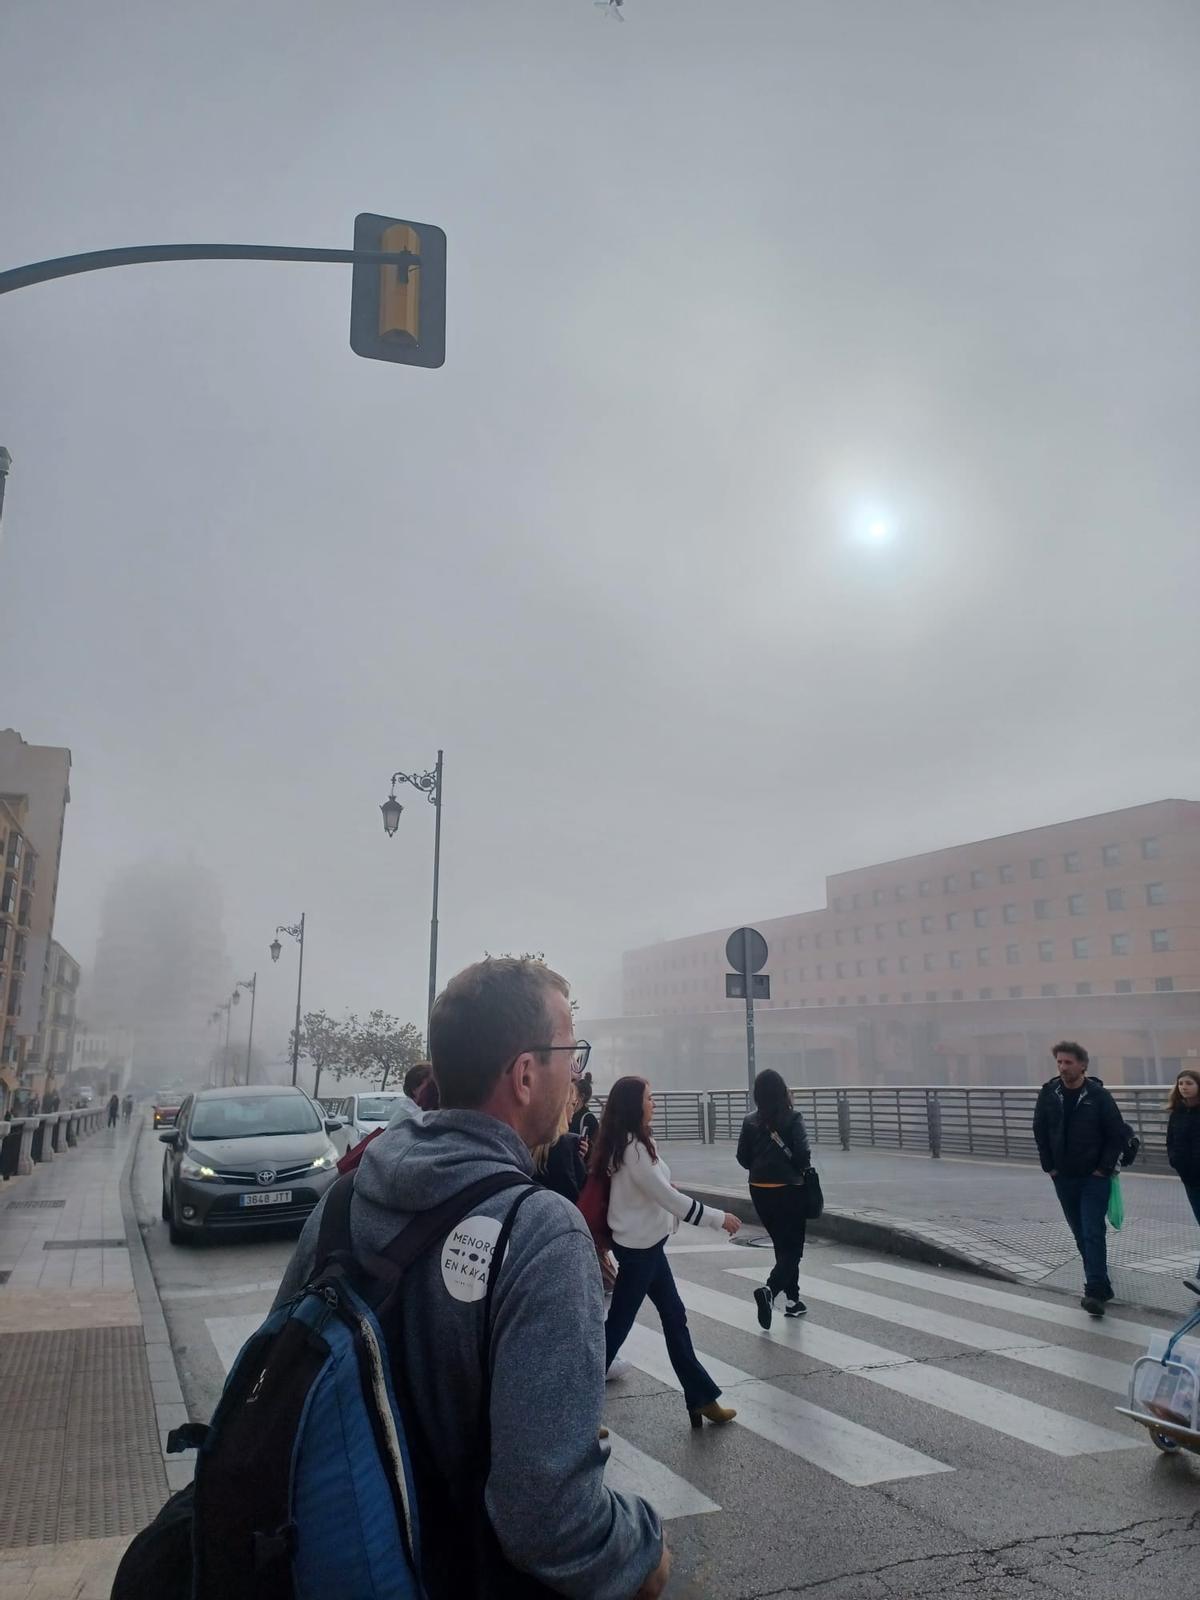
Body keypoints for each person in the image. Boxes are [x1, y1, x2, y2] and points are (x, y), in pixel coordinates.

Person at [274, 958, 668, 1600]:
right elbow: (550, 1524)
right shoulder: (543, 1233)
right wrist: (644, 1548)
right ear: (524, 1073)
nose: (576, 1072)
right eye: (570, 1051)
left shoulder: (343, 1200)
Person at [596, 1075, 740, 1428]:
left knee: (674, 1318)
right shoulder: (634, 1149)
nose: (654, 1102)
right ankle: (573, 1406)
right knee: (616, 1329)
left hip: (648, 1247)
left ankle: (701, 1399)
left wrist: (664, 1187)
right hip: (640, 1250)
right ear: (634, 1105)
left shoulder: (635, 1144)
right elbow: (670, 1199)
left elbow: (658, 1190)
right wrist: (718, 1218)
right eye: (649, 1097)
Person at [1033, 1040, 1124, 1317]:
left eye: (1068, 1062)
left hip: (1094, 1177)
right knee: (1079, 1232)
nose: (1062, 1067)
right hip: (1063, 1176)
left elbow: (1116, 1133)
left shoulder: (1098, 1096)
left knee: (1092, 1230)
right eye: (1059, 1062)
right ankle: (1101, 1283)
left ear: (1083, 1065)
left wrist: (1103, 1169)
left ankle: (1094, 1290)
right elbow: (1040, 1130)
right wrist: (1050, 1166)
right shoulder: (1049, 1093)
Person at [736, 1068, 812, 1327]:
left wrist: (761, 1168)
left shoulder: (749, 1121)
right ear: (783, 1091)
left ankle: (793, 1301)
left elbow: (742, 1158)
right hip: (789, 1189)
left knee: (783, 1245)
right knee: (793, 1249)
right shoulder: (793, 1118)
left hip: (759, 1189)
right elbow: (802, 1155)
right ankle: (769, 1291)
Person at [1166, 1068, 1200, 1279]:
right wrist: (1176, 1161)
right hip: (1190, 1179)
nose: (1184, 1087)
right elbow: (1171, 1141)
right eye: (1181, 1084)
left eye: (1189, 1083)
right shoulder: (1177, 1113)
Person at [532, 1105, 588, 1203]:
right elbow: (573, 1189)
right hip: (561, 1208)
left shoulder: (534, 1141)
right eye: (573, 1104)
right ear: (563, 1107)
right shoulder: (566, 1142)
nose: (574, 1110)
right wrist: (579, 1161)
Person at [569, 1073, 600, 1147]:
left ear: (582, 1096)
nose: (569, 1095)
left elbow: (596, 1145)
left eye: (572, 1092)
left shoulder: (589, 1118)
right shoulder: (568, 1114)